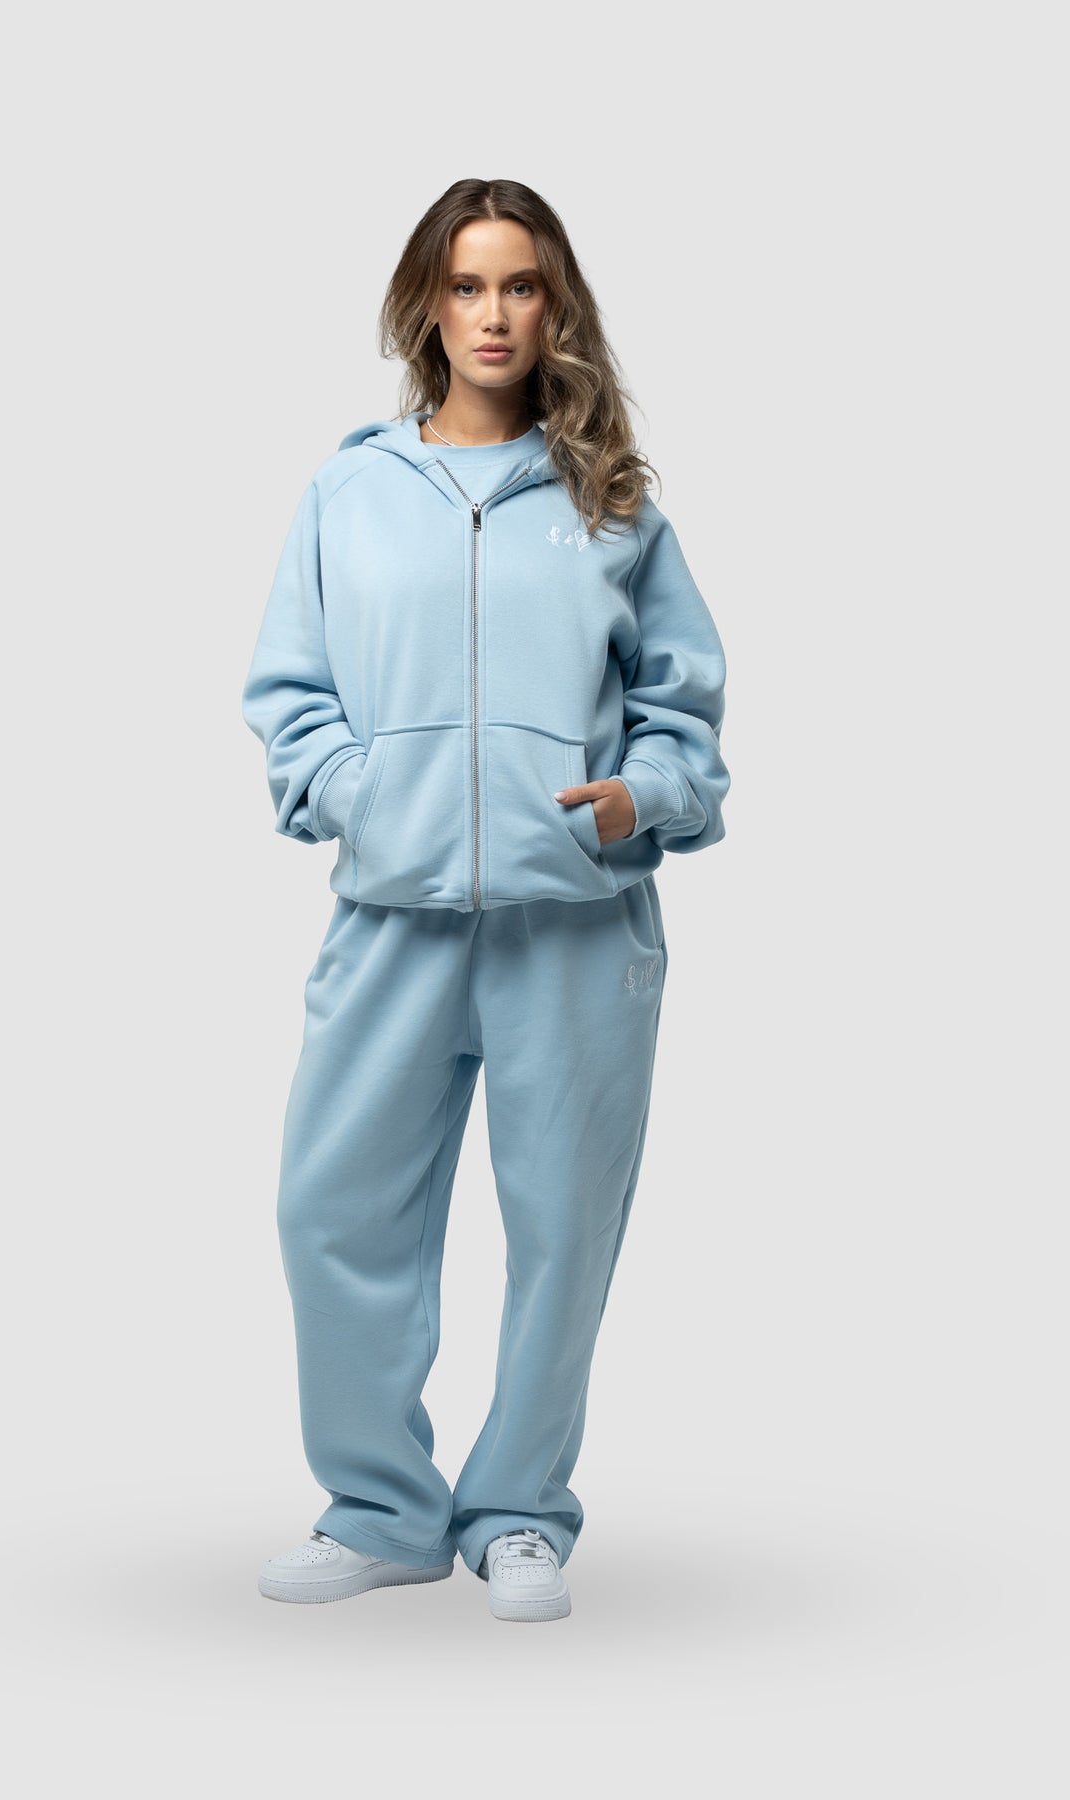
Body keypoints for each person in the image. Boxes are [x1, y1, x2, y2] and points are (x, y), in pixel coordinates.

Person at [240, 177, 731, 1623]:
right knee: (331, 1210)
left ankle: (518, 1512)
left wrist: (638, 798)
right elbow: (290, 693)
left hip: (572, 925)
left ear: (555, 305)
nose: (495, 314)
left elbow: (685, 711)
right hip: (390, 919)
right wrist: (358, 793)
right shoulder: (349, 492)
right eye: (467, 286)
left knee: (563, 1230)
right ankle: (381, 1510)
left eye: (521, 285)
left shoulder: (611, 501)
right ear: (428, 307)